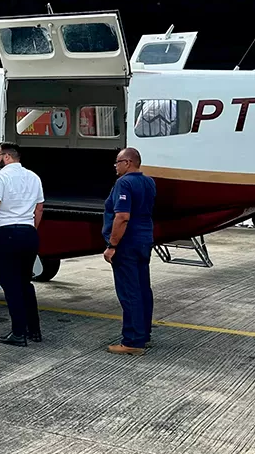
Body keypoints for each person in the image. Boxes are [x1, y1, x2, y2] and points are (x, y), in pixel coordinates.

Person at [0, 142, 45, 346]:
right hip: (29, 233)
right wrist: (30, 229)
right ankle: (34, 330)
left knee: (10, 284)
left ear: (6, 157)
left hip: (6, 234)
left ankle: (18, 333)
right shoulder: (34, 177)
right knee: (25, 283)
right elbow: (39, 209)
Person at [103, 147, 156, 355]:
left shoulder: (124, 183)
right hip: (144, 240)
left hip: (127, 243)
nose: (115, 166)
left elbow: (122, 216)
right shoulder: (149, 182)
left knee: (129, 291)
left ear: (128, 162)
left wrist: (112, 245)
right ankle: (144, 334)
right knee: (143, 288)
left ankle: (132, 340)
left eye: (117, 162)